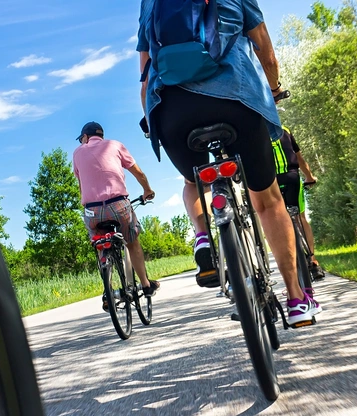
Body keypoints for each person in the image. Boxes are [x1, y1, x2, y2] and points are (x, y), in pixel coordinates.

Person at [136, 0, 321, 325]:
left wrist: (153, 120)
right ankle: (295, 299)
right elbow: (267, 54)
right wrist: (274, 89)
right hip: (237, 98)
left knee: (194, 182)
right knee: (267, 199)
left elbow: (145, 74)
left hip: (174, 110)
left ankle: (203, 235)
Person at [73, 121, 160, 310]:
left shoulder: (77, 152)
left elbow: (81, 183)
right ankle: (145, 285)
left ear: (86, 137)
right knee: (132, 241)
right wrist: (147, 190)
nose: (82, 142)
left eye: (82, 139)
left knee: (99, 243)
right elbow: (138, 173)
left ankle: (108, 289)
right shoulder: (115, 145)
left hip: (92, 210)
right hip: (118, 204)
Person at [272, 125, 325, 280]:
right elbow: (299, 159)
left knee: (276, 221)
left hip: (271, 181)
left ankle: (288, 264)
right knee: (300, 218)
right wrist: (309, 177)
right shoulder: (284, 130)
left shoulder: (257, 131)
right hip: (291, 176)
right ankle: (313, 260)